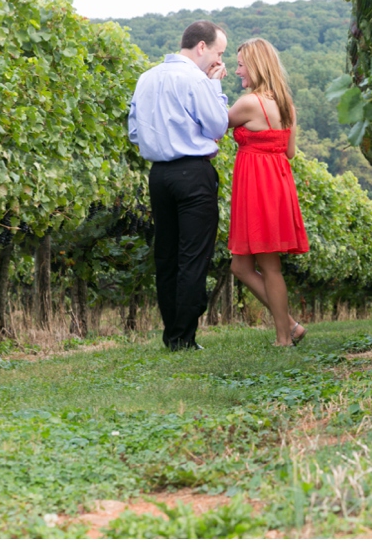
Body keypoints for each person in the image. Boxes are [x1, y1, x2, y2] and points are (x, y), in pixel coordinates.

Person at [128, 20, 230, 351]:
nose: (219, 60)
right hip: (192, 172)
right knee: (193, 256)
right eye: (219, 52)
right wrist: (215, 87)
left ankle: (172, 333)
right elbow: (218, 125)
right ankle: (183, 337)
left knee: (167, 255)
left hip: (158, 175)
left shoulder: (146, 78)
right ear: (202, 47)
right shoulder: (196, 79)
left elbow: (133, 133)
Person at [227, 38, 309, 347]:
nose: (237, 72)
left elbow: (213, 125)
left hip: (257, 186)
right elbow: (289, 152)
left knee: (269, 267)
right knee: (241, 266)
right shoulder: (287, 104)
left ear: (257, 66)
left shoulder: (249, 103)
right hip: (277, 182)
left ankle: (283, 338)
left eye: (240, 65)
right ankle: (290, 326)